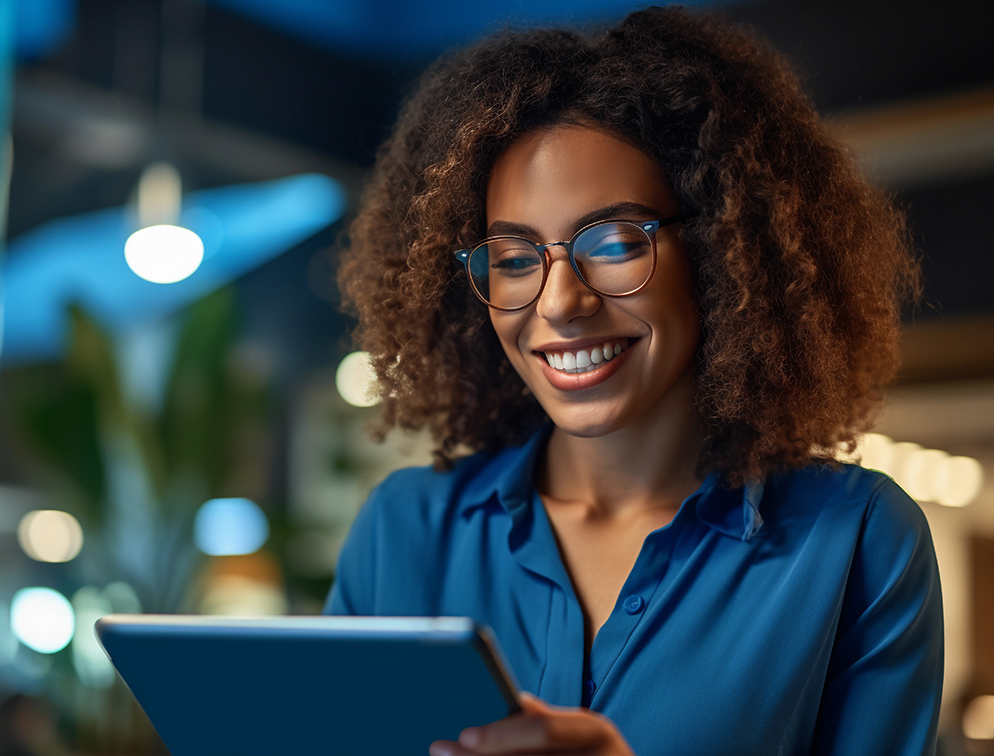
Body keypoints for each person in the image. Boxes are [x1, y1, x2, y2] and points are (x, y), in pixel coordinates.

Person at [326, 6, 943, 756]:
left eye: (615, 242)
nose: (560, 302)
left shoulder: (855, 541)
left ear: (719, 248)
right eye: (515, 259)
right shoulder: (404, 534)